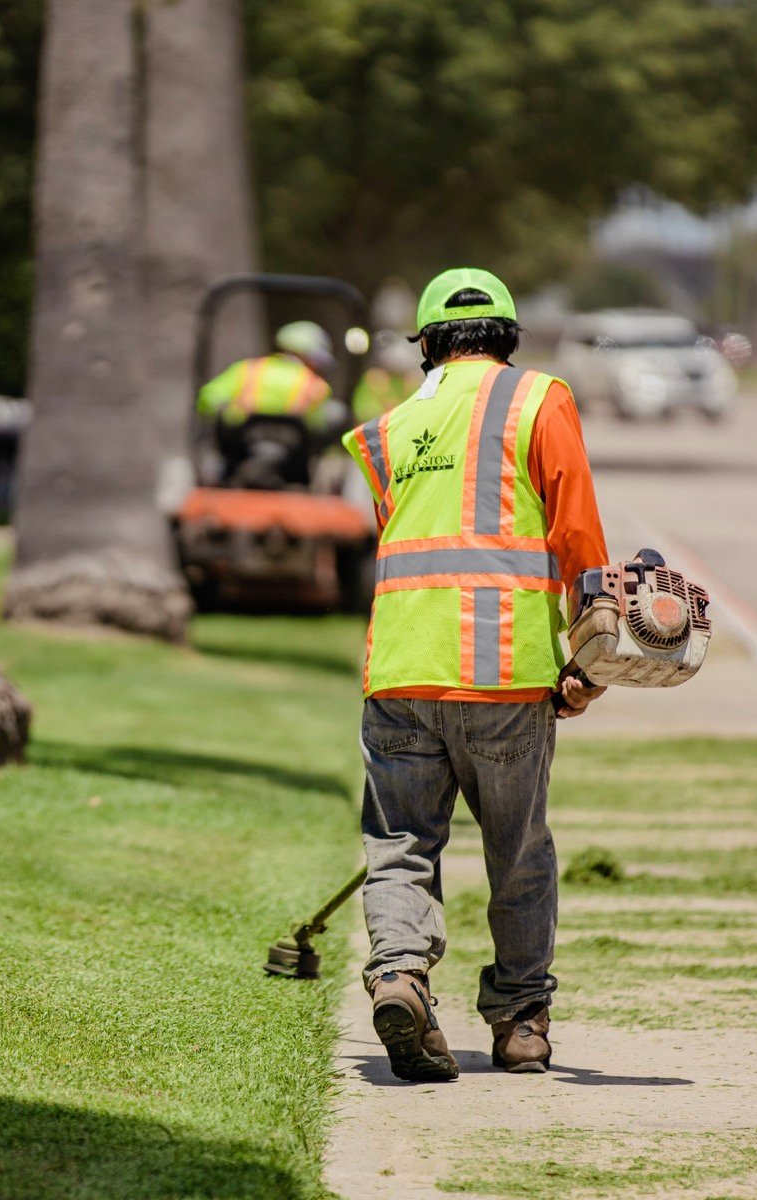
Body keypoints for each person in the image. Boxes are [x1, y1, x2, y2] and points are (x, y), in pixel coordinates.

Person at [340, 267, 609, 1080]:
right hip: (502, 677)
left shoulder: (388, 427)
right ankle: (522, 1020)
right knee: (518, 852)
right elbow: (578, 538)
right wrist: (589, 659)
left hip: (400, 672)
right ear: (509, 338)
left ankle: (398, 974)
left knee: (399, 845)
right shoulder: (539, 401)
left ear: (426, 345)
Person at [196, 320, 338, 429]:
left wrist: (227, 413)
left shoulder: (247, 368)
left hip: (239, 445)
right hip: (292, 454)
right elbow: (320, 425)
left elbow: (208, 398)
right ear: (307, 356)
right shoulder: (315, 384)